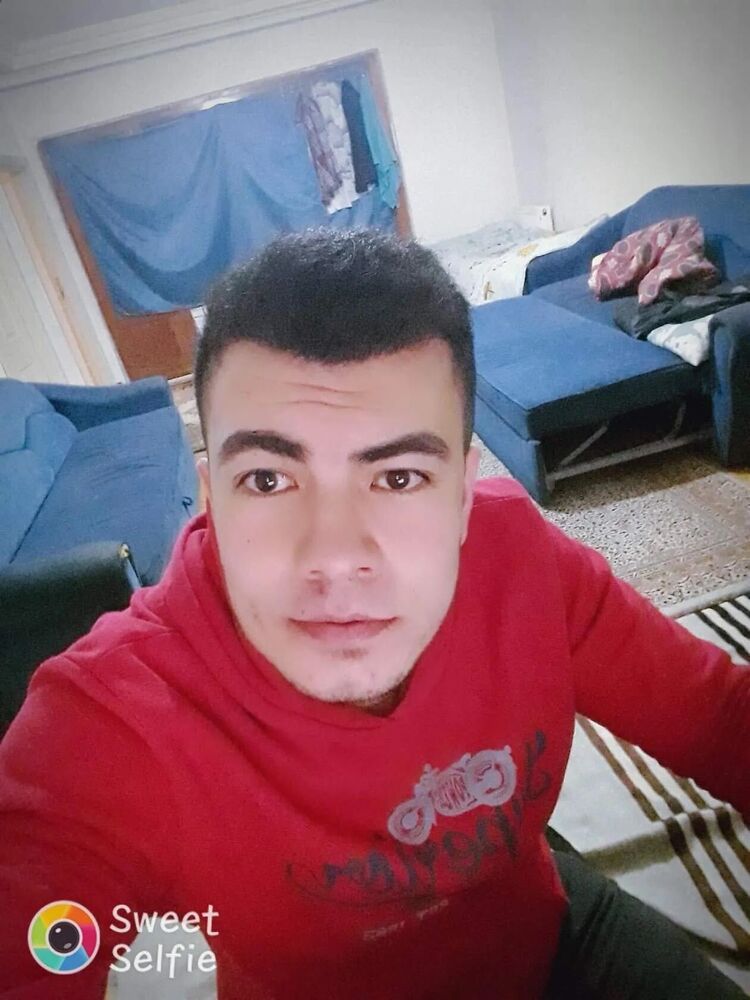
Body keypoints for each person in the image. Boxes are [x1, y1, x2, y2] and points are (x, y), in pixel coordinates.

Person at [0, 228, 747, 1000]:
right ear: (211, 496)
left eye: (398, 478)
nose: (335, 557)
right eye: (268, 480)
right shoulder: (111, 722)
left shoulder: (521, 563)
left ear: (463, 495)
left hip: (551, 939)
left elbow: (721, 719)